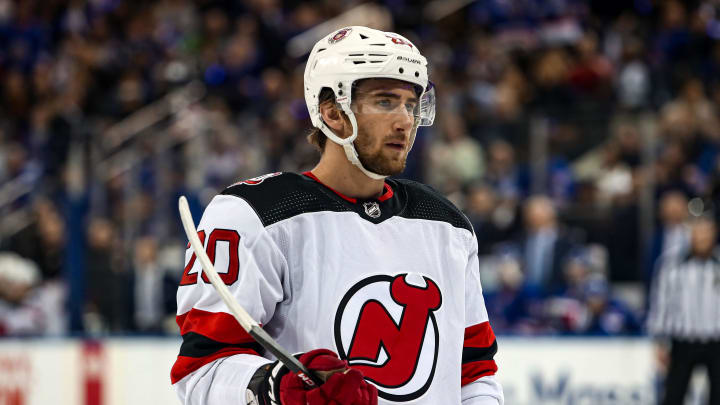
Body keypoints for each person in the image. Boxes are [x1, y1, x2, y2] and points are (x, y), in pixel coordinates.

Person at [170, 26, 503, 405]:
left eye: (410, 104)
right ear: (332, 113)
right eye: (384, 101)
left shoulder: (447, 224)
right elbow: (201, 373)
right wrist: (275, 387)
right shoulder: (254, 215)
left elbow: (474, 372)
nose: (405, 120)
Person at [647, 216, 720, 405]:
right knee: (674, 395)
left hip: (716, 338)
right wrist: (660, 340)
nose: (702, 238)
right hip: (683, 339)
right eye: (698, 233)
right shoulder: (671, 266)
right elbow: (661, 302)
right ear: (690, 235)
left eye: (707, 232)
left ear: (714, 234)